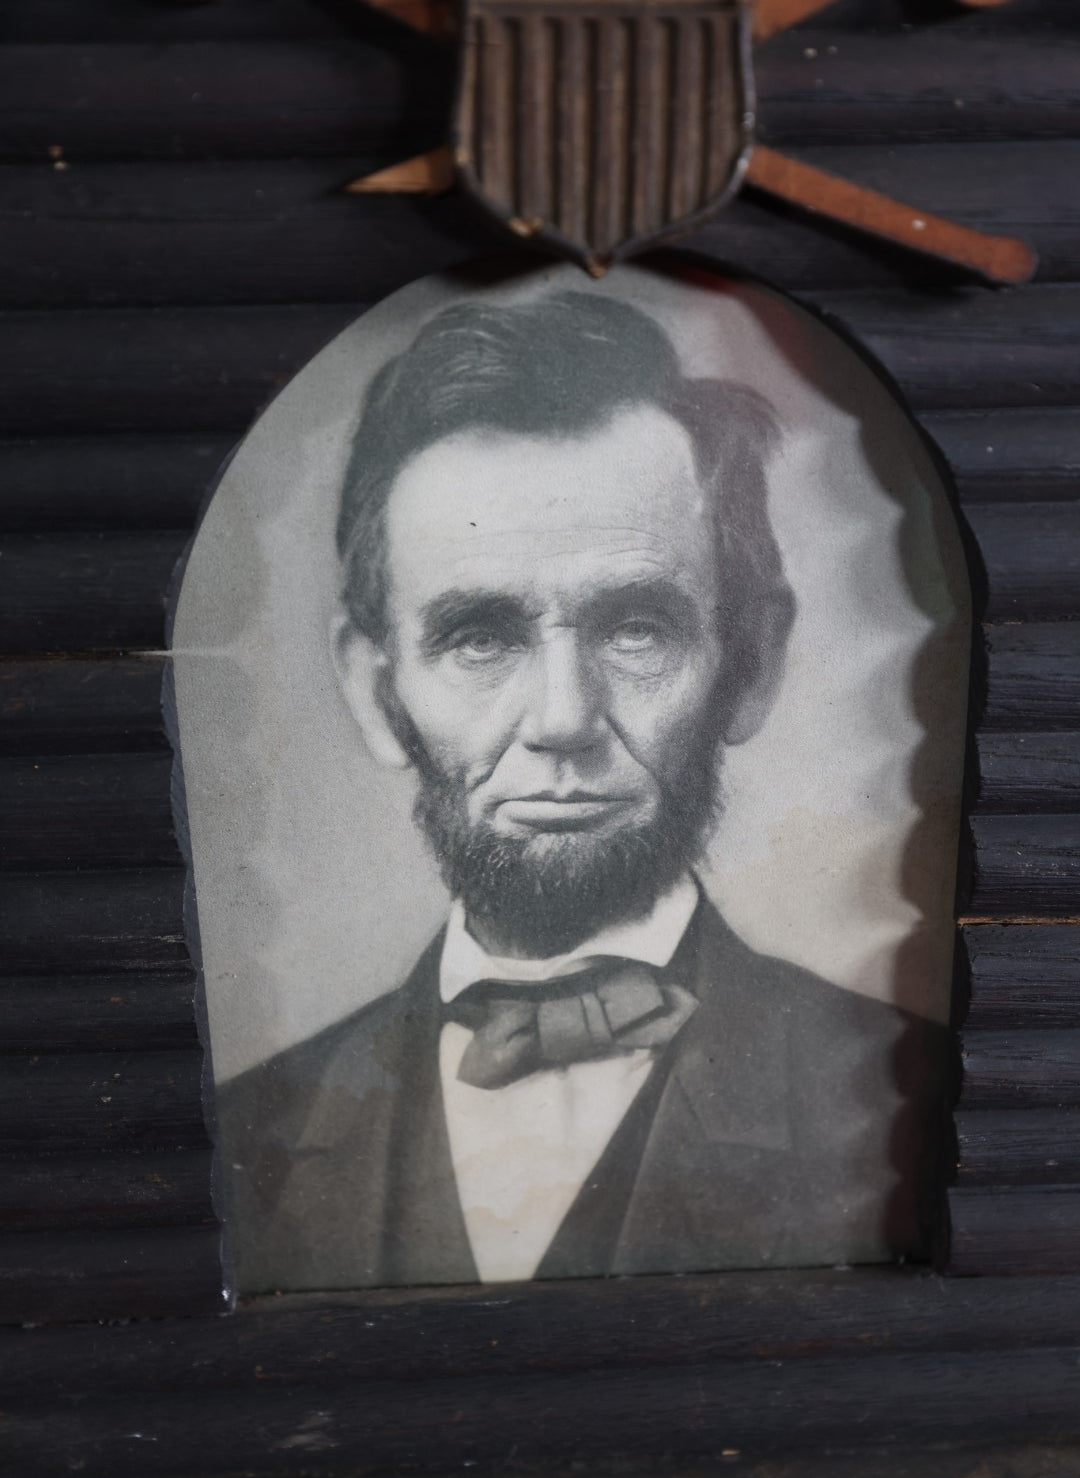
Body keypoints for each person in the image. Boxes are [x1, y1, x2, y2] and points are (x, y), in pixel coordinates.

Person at [216, 290, 943, 1293]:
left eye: (636, 628)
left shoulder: (917, 1095)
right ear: (374, 688)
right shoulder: (241, 1136)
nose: (563, 717)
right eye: (479, 637)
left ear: (753, 661)